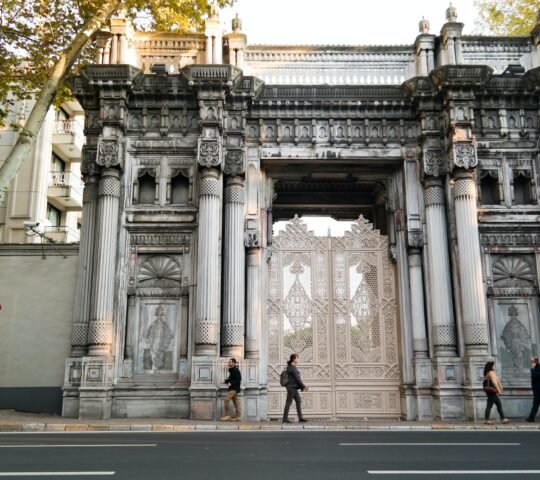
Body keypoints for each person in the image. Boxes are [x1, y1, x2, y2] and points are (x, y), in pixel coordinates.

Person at [282, 353, 308, 423]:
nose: (298, 360)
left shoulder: (291, 367)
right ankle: (285, 419)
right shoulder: (292, 368)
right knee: (288, 402)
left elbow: (296, 378)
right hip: (291, 388)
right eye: (298, 358)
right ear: (294, 359)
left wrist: (302, 386)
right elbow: (297, 379)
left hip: (292, 387)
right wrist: (303, 386)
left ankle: (300, 418)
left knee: (298, 401)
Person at [483, 361, 510, 425]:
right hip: (491, 391)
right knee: (489, 405)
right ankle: (486, 420)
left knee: (498, 404)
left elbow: (497, 380)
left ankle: (503, 418)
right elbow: (495, 382)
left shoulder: (492, 372)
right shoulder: (491, 373)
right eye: (493, 365)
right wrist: (499, 390)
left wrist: (501, 387)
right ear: (491, 366)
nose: (494, 366)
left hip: (491, 391)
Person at [526, 356, 540, 422]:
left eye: (532, 362)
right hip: (537, 390)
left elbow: (534, 376)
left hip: (538, 390)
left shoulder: (538, 368)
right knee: (535, 404)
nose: (531, 363)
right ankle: (531, 418)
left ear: (535, 362)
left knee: (535, 404)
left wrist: (532, 369)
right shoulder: (536, 368)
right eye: (531, 361)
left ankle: (531, 418)